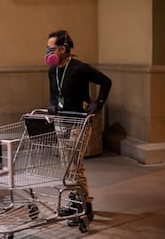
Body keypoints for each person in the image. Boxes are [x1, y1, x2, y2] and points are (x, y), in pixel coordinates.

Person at [45, 29, 112, 226]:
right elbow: (53, 93)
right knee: (68, 166)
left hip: (78, 123)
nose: (48, 53)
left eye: (51, 49)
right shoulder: (52, 70)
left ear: (63, 48)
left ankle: (84, 206)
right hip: (61, 122)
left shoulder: (79, 68)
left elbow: (106, 82)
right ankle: (77, 201)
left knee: (74, 166)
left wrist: (98, 103)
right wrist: (52, 106)